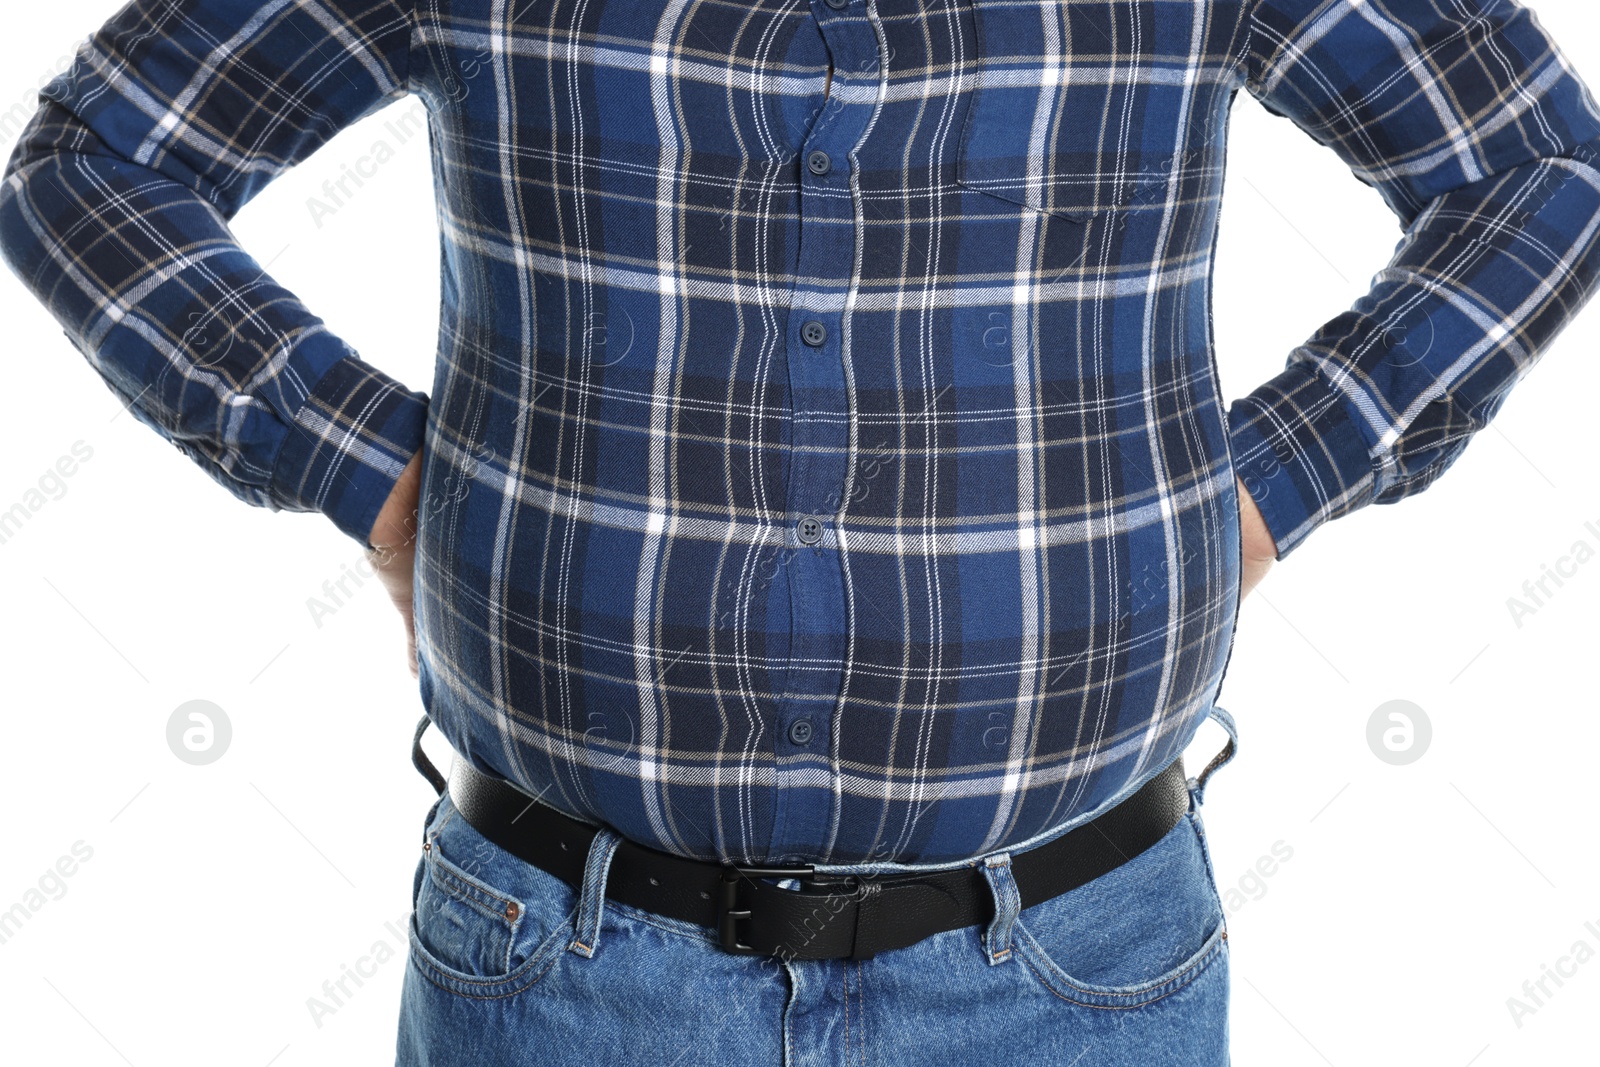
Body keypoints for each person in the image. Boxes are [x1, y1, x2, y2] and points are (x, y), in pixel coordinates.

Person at [3, 1, 1597, 1063]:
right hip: (565, 972)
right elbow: (94, 163)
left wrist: (1276, 479)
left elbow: (1537, 171)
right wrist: (367, 468)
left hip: (1078, 965)